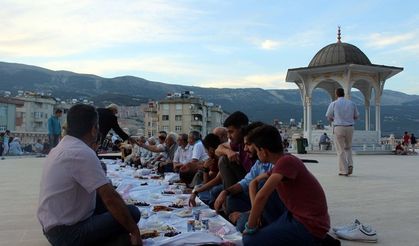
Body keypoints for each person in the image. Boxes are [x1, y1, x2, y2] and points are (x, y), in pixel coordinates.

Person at [37, 104, 142, 246]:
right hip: (68, 234)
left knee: (110, 208)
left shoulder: (61, 147)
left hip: (52, 227)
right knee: (132, 213)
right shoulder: (81, 151)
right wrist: (135, 232)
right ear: (94, 129)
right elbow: (110, 197)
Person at [243, 125, 330, 245]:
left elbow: (262, 196)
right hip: (295, 216)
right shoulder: (282, 163)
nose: (257, 154)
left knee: (248, 240)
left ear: (263, 151)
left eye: (257, 151)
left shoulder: (286, 162)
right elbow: (255, 182)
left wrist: (250, 228)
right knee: (249, 223)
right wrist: (255, 215)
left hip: (309, 225)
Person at [215, 111, 254, 190]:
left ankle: (230, 195)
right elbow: (218, 149)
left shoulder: (254, 144)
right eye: (227, 133)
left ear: (242, 129)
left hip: (252, 183)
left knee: (224, 160)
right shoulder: (238, 143)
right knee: (215, 191)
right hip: (245, 179)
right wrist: (228, 152)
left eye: (231, 132)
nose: (229, 136)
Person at [326, 88, 359, 176]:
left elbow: (328, 116)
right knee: (348, 148)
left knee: (340, 150)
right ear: (344, 94)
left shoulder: (334, 104)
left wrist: (335, 119)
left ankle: (344, 170)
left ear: (336, 94)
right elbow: (356, 116)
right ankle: (350, 165)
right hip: (350, 128)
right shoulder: (352, 103)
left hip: (339, 127)